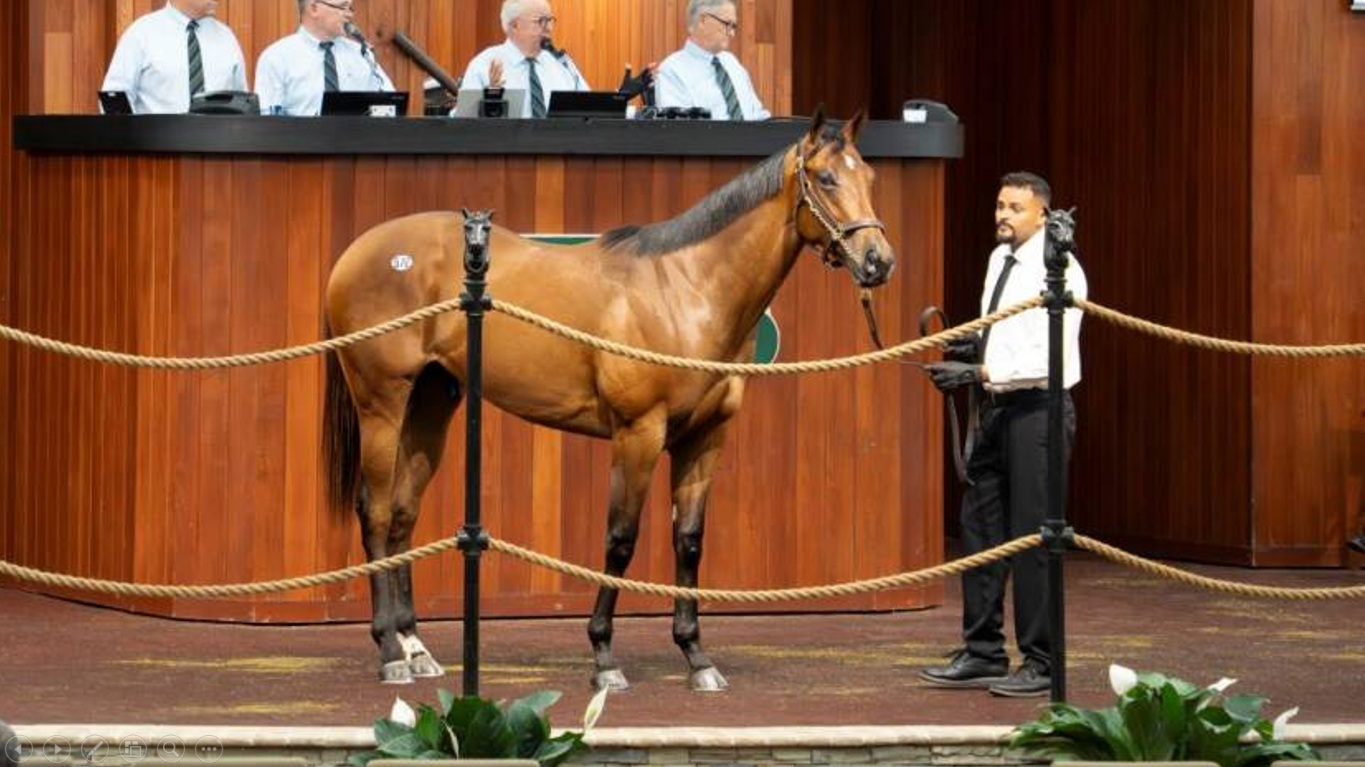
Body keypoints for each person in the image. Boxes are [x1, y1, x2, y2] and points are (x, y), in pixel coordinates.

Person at [919, 172, 1088, 698]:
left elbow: (1046, 355)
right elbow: (1008, 331)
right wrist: (973, 349)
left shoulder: (1062, 271)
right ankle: (983, 651)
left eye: (1014, 207)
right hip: (997, 411)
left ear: (1042, 213)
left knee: (1033, 539)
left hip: (1037, 411)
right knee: (981, 528)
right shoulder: (1000, 259)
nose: (1002, 215)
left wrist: (978, 374)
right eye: (999, 205)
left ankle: (1041, 662)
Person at [101, 0, 248, 114]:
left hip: (218, 149)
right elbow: (114, 99)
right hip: (155, 149)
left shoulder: (227, 38)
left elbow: (244, 105)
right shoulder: (141, 33)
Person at [256, 0, 395, 116]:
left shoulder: (361, 54)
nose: (349, 15)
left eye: (350, 8)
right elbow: (268, 120)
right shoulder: (277, 57)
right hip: (299, 146)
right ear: (314, 8)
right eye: (342, 7)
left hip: (356, 145)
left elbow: (392, 106)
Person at [459, 0, 589, 119]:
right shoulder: (484, 65)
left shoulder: (563, 65)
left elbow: (591, 111)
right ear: (514, 25)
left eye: (550, 20)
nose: (549, 28)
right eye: (541, 21)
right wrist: (490, 99)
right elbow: (462, 123)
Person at [655, 0, 770, 121]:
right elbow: (679, 132)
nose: (732, 33)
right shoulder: (671, 70)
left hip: (754, 137)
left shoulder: (731, 62)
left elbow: (758, 115)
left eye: (734, 26)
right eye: (727, 24)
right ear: (703, 20)